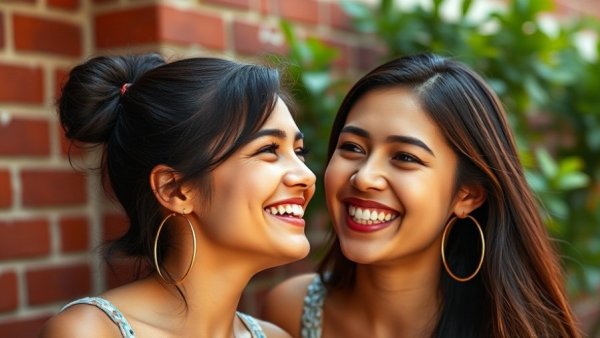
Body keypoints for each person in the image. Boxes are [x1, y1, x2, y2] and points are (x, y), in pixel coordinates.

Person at [262, 53, 581, 338]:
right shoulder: (289, 311)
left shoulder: (508, 329)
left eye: (405, 157)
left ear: (466, 195)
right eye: (353, 148)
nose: (365, 177)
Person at [40, 53, 316, 338]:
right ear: (175, 189)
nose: (307, 176)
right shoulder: (90, 333)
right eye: (269, 149)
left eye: (298, 152)